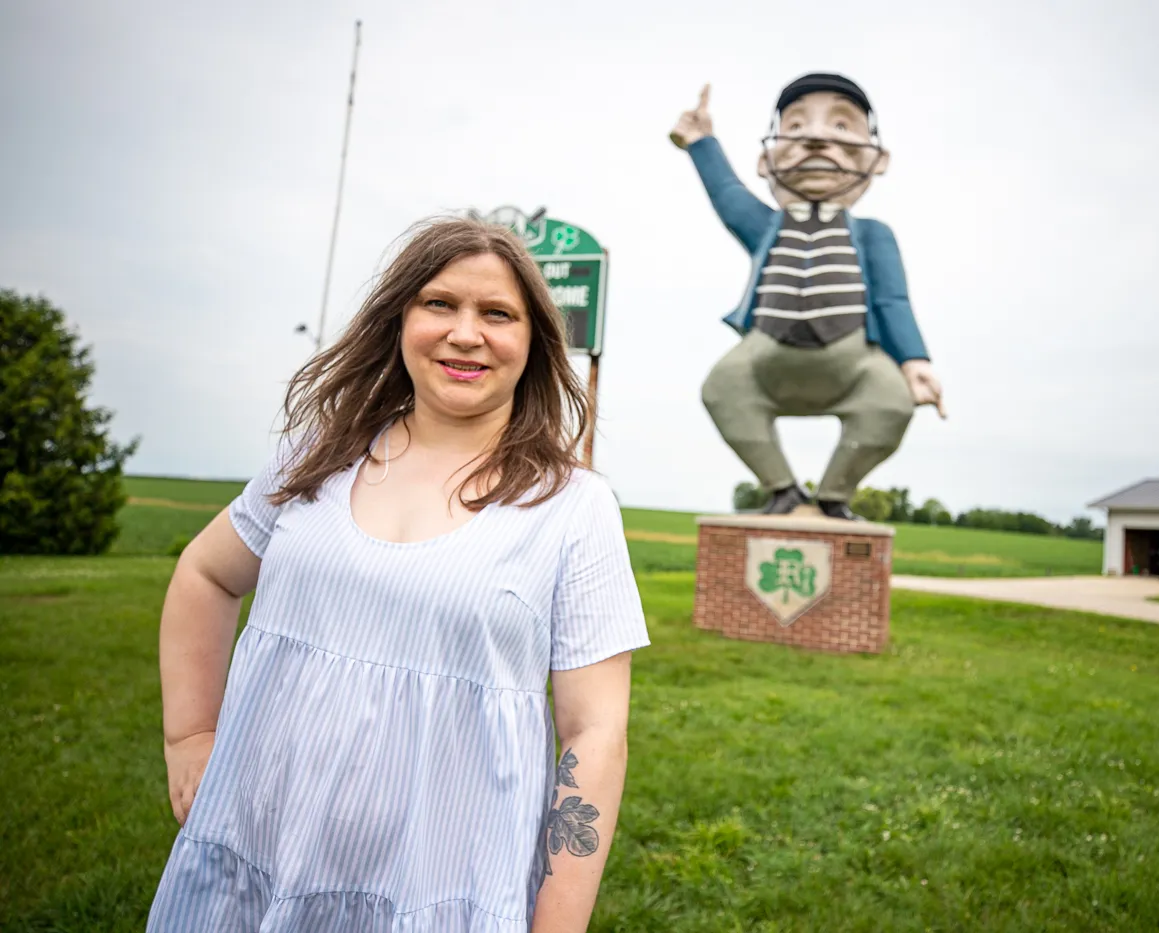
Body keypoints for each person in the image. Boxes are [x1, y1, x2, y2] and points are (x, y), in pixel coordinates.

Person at [146, 217, 649, 932]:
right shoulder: (317, 454)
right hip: (256, 846)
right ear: (400, 319)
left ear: (534, 341)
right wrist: (189, 735)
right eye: (440, 303)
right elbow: (205, 572)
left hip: (437, 887)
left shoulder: (573, 507)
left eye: (497, 313)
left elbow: (594, 730)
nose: (466, 333)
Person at [670, 73, 946, 521]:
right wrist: (702, 141)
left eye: (840, 127)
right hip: (765, 352)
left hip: (853, 357)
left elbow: (893, 300)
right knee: (723, 386)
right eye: (796, 127)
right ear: (765, 160)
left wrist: (915, 361)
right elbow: (727, 194)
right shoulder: (766, 227)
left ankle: (836, 495)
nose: (817, 138)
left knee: (890, 401)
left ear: (878, 159)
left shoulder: (873, 235)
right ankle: (783, 491)